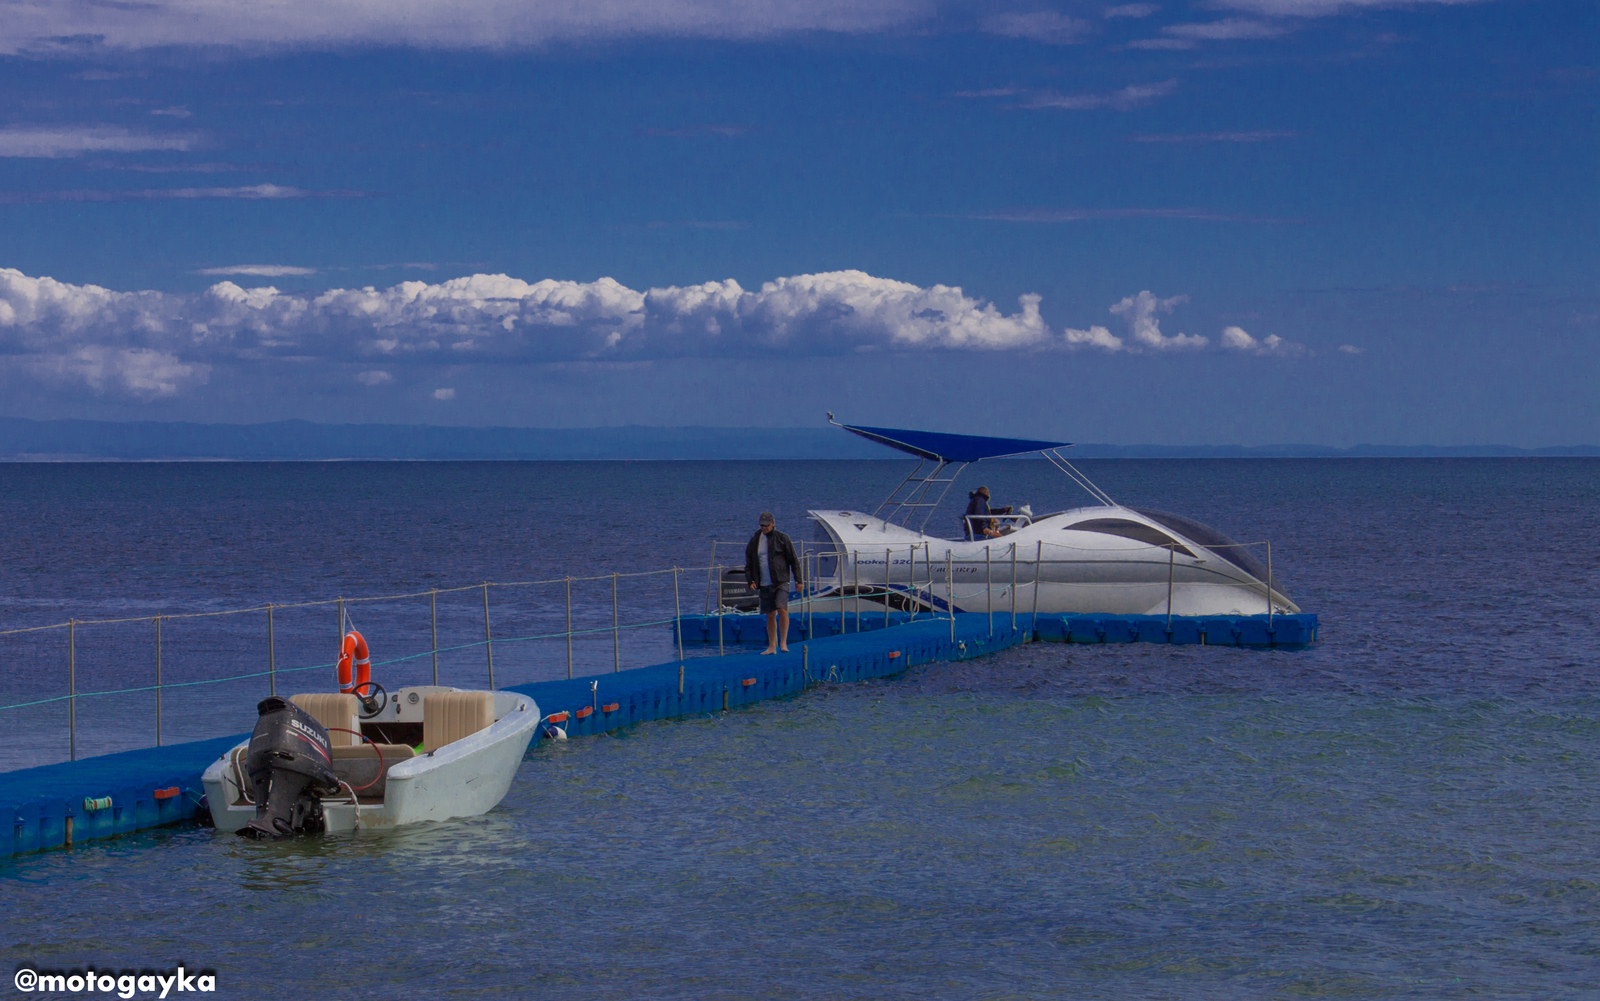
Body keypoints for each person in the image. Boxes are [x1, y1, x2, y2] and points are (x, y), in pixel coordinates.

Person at [745, 511, 803, 655]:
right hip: (764, 582)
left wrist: (799, 580)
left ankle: (783, 642)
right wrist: (750, 580)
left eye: (766, 525)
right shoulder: (755, 540)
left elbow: (793, 561)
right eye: (762, 525)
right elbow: (749, 562)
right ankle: (772, 645)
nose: (764, 528)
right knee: (770, 614)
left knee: (782, 609)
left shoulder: (782, 538)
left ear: (773, 523)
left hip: (781, 580)